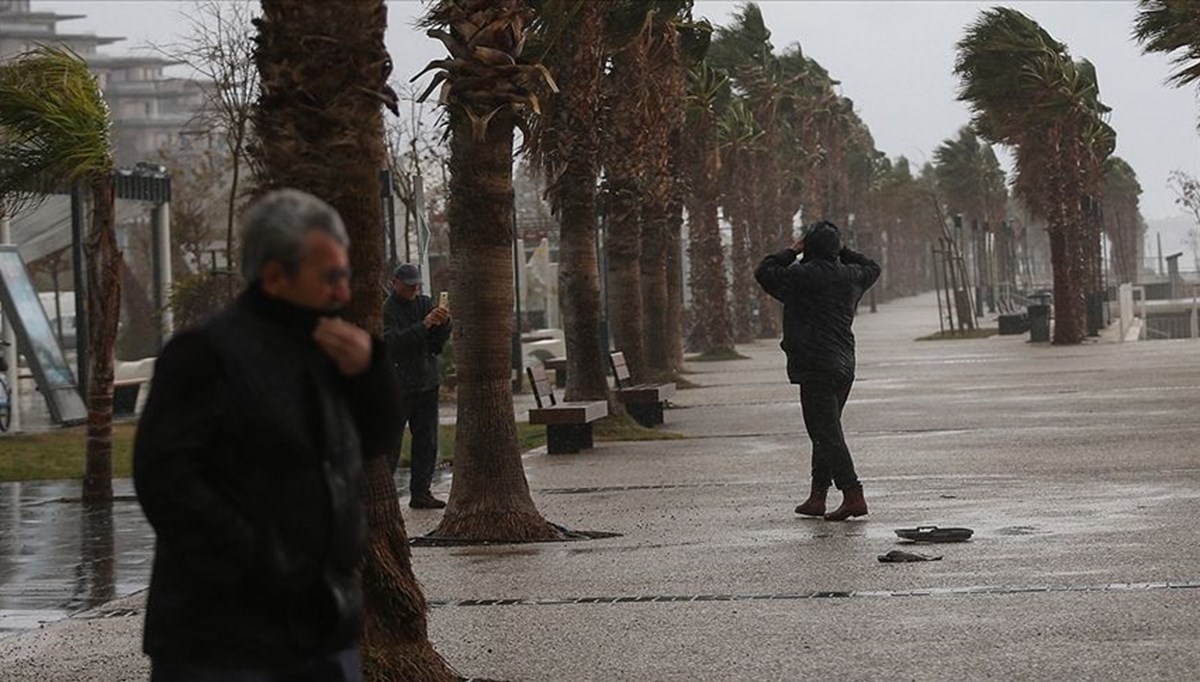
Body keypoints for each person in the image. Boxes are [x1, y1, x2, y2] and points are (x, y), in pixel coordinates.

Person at [133, 189, 399, 682]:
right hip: (223, 640)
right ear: (277, 277)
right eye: (330, 277)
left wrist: (370, 375)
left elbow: (372, 444)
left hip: (321, 628)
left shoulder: (327, 348)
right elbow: (164, 479)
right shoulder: (205, 354)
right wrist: (258, 560)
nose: (344, 293)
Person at [754, 220, 881, 521]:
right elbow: (872, 266)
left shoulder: (800, 277)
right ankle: (817, 496)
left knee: (825, 433)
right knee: (827, 430)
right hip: (844, 364)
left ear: (808, 248)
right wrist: (842, 249)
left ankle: (853, 494)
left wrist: (791, 250)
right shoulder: (852, 276)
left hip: (814, 365)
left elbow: (764, 272)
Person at [383, 262, 451, 509]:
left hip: (426, 382)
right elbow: (394, 342)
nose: (413, 291)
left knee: (426, 441)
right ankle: (386, 493)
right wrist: (424, 326)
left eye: (416, 286)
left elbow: (435, 344)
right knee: (392, 442)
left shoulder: (424, 304)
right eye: (408, 286)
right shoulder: (388, 310)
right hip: (399, 385)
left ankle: (421, 491)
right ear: (395, 283)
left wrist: (443, 324)